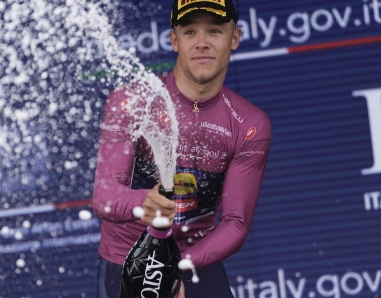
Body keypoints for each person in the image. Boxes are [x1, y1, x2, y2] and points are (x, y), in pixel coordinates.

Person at [93, 0, 271, 297]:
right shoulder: (131, 101)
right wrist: (143, 202)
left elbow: (235, 224)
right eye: (190, 32)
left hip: (196, 259)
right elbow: (103, 196)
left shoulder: (250, 124)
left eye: (214, 31)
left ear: (234, 38)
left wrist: (177, 268)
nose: (202, 43)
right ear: (174, 40)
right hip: (129, 262)